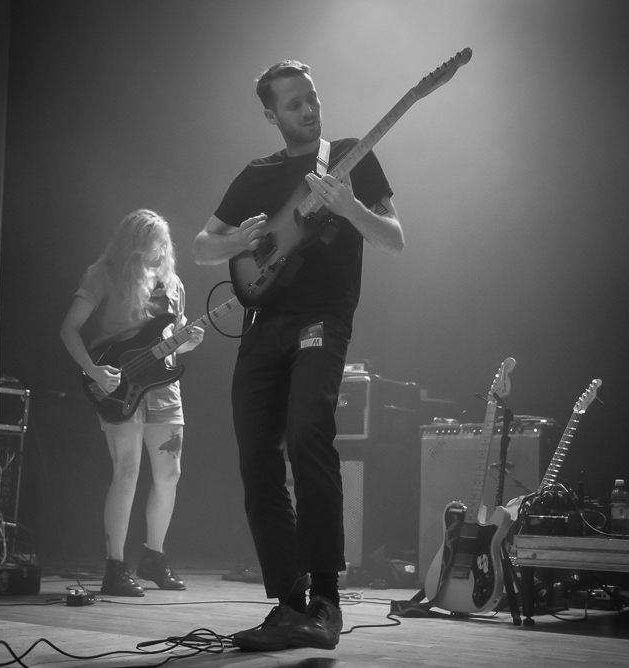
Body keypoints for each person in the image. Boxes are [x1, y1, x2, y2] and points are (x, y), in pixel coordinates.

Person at [193, 60, 403, 650]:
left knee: (309, 432)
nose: (308, 109)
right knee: (257, 459)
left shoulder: (354, 154)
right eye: (293, 104)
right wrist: (241, 240)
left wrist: (349, 208)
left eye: (311, 97)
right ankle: (289, 604)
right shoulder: (257, 174)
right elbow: (202, 244)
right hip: (264, 323)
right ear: (271, 115)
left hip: (323, 318)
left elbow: (395, 240)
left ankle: (327, 604)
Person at [61, 209, 204, 596]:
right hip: (118, 382)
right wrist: (92, 369)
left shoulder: (173, 283)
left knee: (169, 474)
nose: (160, 250)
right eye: (151, 243)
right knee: (127, 471)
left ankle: (154, 558)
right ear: (134, 245)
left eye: (163, 243)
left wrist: (188, 340)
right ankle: (115, 567)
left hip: (164, 387)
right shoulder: (103, 273)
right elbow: (69, 328)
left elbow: (174, 333)